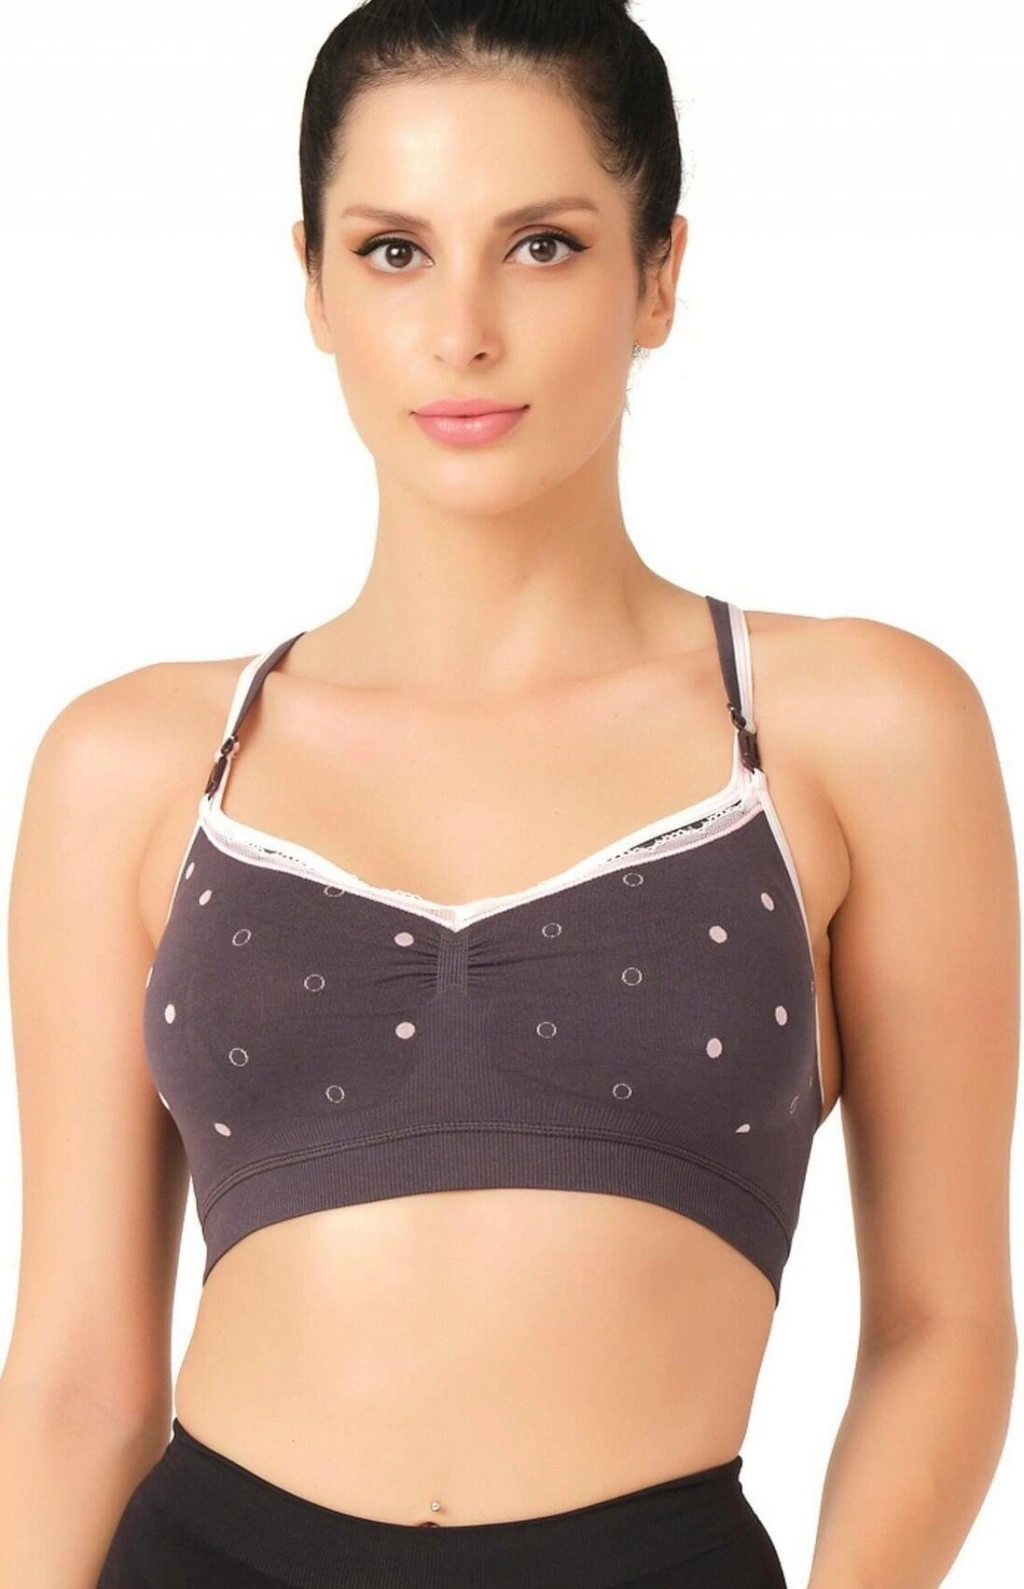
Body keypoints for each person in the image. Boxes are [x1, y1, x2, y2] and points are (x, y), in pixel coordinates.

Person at [1, 2, 1017, 1586]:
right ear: (315, 284)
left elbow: (945, 1324)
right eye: (393, 252)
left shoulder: (859, 728)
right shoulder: (135, 765)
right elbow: (76, 1376)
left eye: (543, 247)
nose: (462, 330)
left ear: (659, 274)